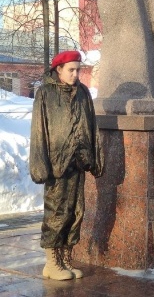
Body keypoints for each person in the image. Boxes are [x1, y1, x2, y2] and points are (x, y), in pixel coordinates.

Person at [30, 50, 104, 280]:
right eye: (71, 70)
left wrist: (95, 158)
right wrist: (40, 165)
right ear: (58, 69)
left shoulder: (83, 93)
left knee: (75, 211)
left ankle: (64, 259)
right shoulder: (45, 94)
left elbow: (92, 125)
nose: (75, 74)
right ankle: (52, 262)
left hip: (78, 160)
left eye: (78, 70)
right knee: (57, 212)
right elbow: (39, 131)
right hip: (56, 163)